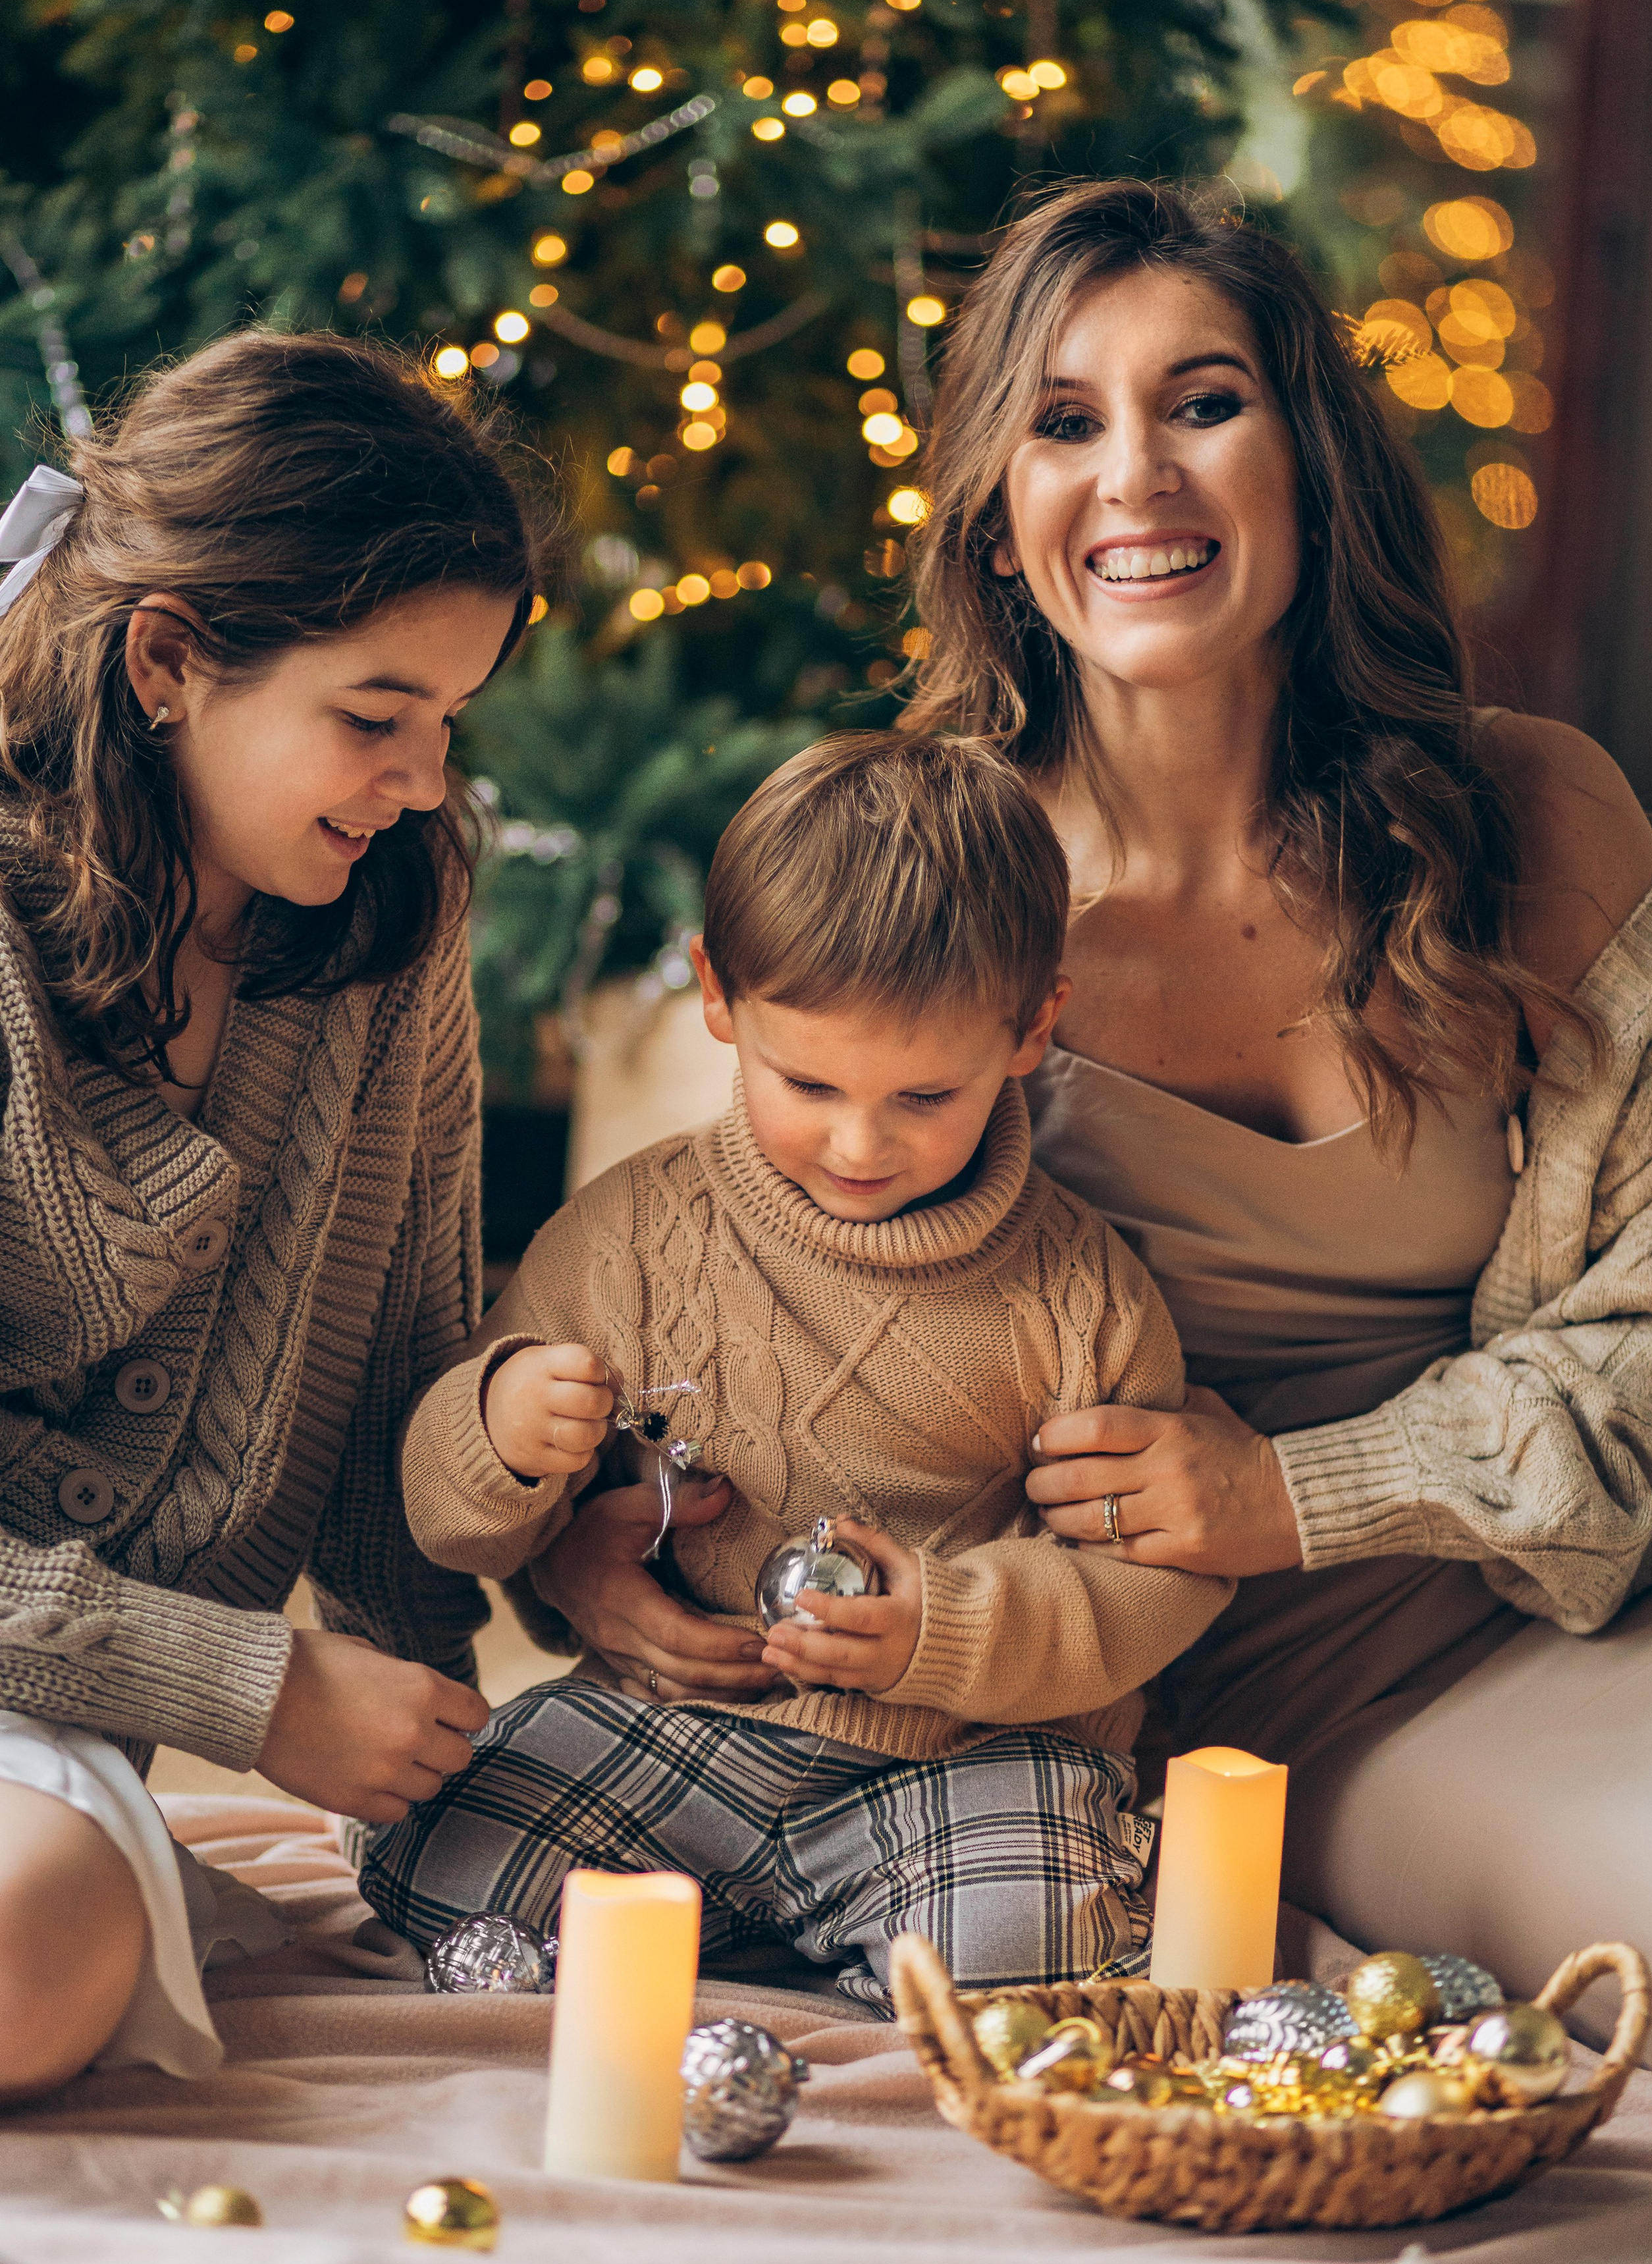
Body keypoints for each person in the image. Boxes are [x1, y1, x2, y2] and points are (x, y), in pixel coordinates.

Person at [897, 177, 1652, 2070]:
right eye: (1065, 423)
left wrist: (1292, 1492)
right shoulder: (914, 888)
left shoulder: (1530, 817)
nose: (1137, 477)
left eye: (1206, 401)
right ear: (1002, 522)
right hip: (1251, 1731)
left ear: (1311, 465)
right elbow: (732, 1340)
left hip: (1603, 1601)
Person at [361, 734, 1231, 2007]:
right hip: (678, 1733)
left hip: (959, 1761)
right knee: (439, 1841)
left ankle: (798, 1934)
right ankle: (789, 1932)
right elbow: (448, 1524)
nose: (860, 1142)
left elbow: (1153, 1582)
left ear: (1033, 1025)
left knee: (1024, 1949)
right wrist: (496, 1431)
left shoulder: (1080, 1294)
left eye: (926, 1096)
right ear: (720, 996)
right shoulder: (629, 1237)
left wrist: (942, 1625)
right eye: (807, 1081)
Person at [0, 328, 533, 2097]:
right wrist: (246, 1687)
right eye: (376, 718)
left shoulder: (387, 929)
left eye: (449, 724)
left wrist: (449, 1748)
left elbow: (405, 1375)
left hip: (39, 1741)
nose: (426, 781)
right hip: (66, 1689)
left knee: (41, 1928)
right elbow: (253, 1682)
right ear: (170, 659)